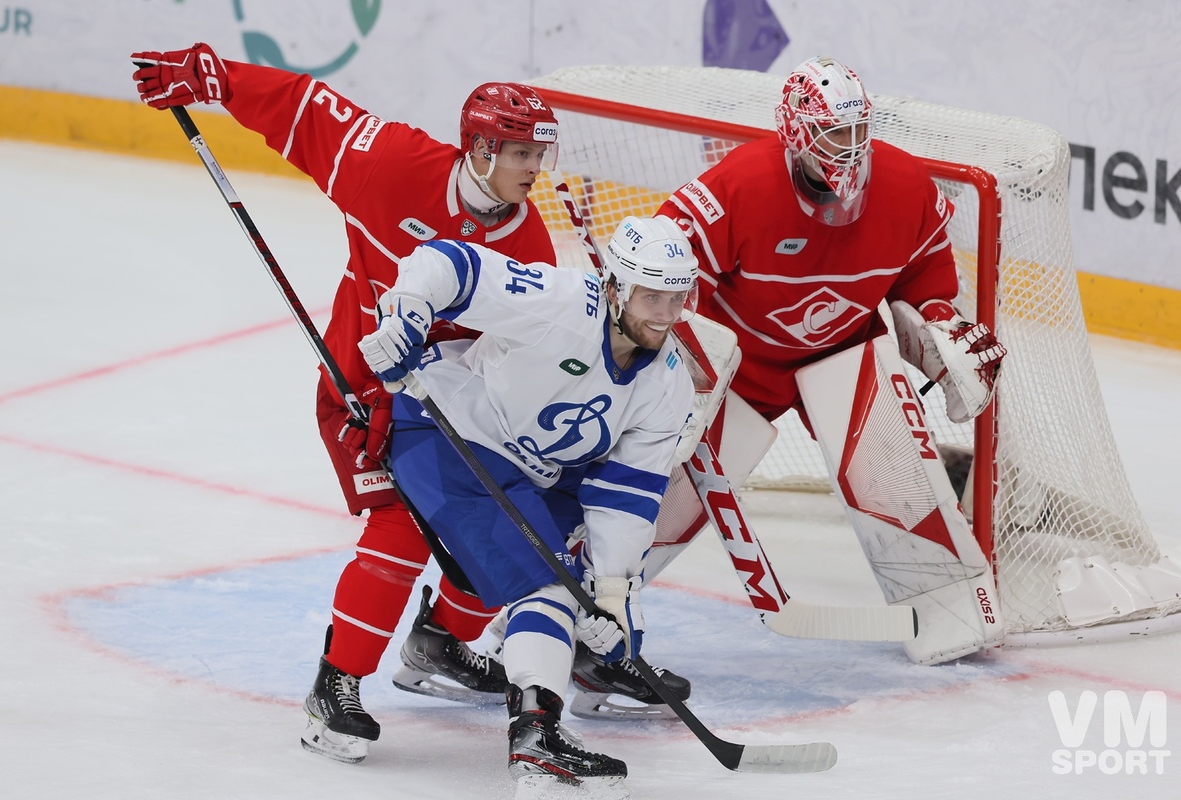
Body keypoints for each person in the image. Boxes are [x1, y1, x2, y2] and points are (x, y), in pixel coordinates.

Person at [128, 43, 689, 763]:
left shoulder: (529, 243)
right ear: (479, 148)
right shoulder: (392, 164)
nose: (534, 169)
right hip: (361, 384)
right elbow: (306, 112)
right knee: (399, 523)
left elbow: (510, 362)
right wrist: (217, 78)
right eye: (519, 152)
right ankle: (334, 688)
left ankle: (439, 645)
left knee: (492, 522)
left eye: (538, 154)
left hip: (443, 398)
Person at [655, 56, 1009, 665]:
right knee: (666, 496)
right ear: (794, 131)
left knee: (893, 479)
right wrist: (678, 357)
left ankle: (950, 611)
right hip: (742, 365)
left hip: (844, 352)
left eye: (855, 132)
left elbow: (925, 272)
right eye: (831, 133)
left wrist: (940, 327)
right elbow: (663, 258)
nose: (848, 150)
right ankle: (578, 600)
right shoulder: (738, 183)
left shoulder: (903, 183)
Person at [359, 215, 698, 790]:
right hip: (451, 435)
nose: (665, 315)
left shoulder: (669, 384)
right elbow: (447, 264)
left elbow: (626, 499)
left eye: (676, 297)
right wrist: (407, 316)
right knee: (546, 581)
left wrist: (613, 596)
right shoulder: (560, 302)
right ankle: (537, 733)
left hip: (542, 473)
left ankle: (533, 714)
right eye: (650, 296)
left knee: (573, 586)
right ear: (614, 287)